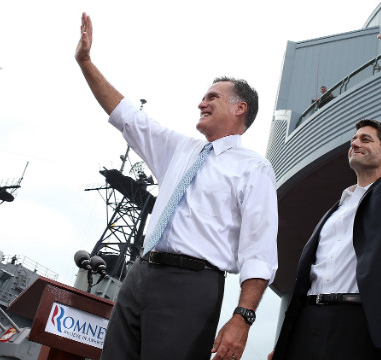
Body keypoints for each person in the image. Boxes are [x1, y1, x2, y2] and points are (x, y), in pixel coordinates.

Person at [75, 12, 278, 360]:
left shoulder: (254, 169)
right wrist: (85, 62)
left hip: (192, 284)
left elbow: (259, 252)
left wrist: (242, 318)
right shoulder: (179, 150)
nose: (202, 102)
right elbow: (125, 114)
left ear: (239, 108)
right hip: (140, 273)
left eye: (213, 97)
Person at [270, 2, 381, 360]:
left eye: (366, 139)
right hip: (307, 326)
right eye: (354, 139)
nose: (356, 142)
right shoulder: (333, 211)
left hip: (362, 327)